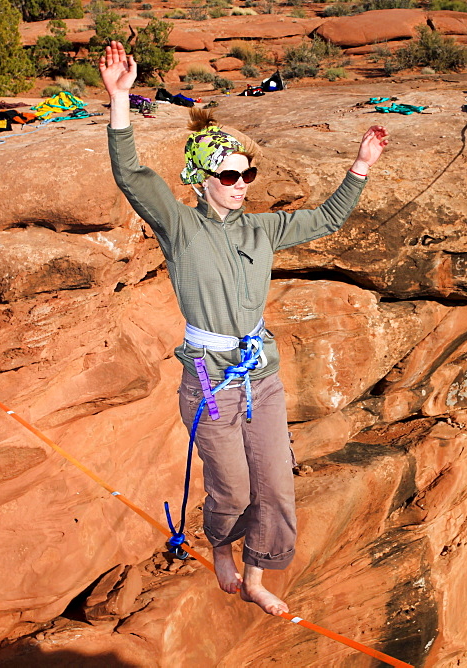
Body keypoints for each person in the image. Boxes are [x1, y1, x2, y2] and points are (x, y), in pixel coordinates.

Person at [99, 41, 388, 615]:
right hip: (209, 381)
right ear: (202, 178)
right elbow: (131, 173)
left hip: (263, 376)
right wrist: (119, 99)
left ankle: (257, 575)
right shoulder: (179, 226)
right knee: (232, 489)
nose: (241, 182)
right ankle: (222, 547)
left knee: (277, 488)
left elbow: (328, 217)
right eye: (229, 174)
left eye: (247, 173)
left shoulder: (263, 230)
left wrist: (360, 166)